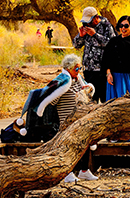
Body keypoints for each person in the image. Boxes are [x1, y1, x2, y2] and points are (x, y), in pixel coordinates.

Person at [34, 53, 98, 183]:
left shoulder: (78, 79)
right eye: (76, 69)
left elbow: (89, 89)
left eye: (80, 68)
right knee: (68, 147)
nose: (79, 71)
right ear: (68, 68)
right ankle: (67, 173)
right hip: (66, 121)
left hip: (80, 119)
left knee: (84, 143)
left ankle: (84, 171)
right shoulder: (63, 81)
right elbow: (51, 100)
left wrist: (88, 88)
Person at [73, 6, 115, 103]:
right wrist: (80, 36)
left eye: (90, 21)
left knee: (105, 99)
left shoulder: (106, 25)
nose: (88, 24)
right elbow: (76, 45)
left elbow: (111, 44)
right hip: (88, 69)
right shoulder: (86, 26)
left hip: (102, 69)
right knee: (91, 99)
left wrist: (95, 35)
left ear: (96, 17)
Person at [102, 15, 130, 101]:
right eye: (121, 26)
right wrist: (108, 73)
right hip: (115, 77)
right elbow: (106, 59)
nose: (123, 28)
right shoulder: (113, 41)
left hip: (129, 77)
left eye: (126, 26)